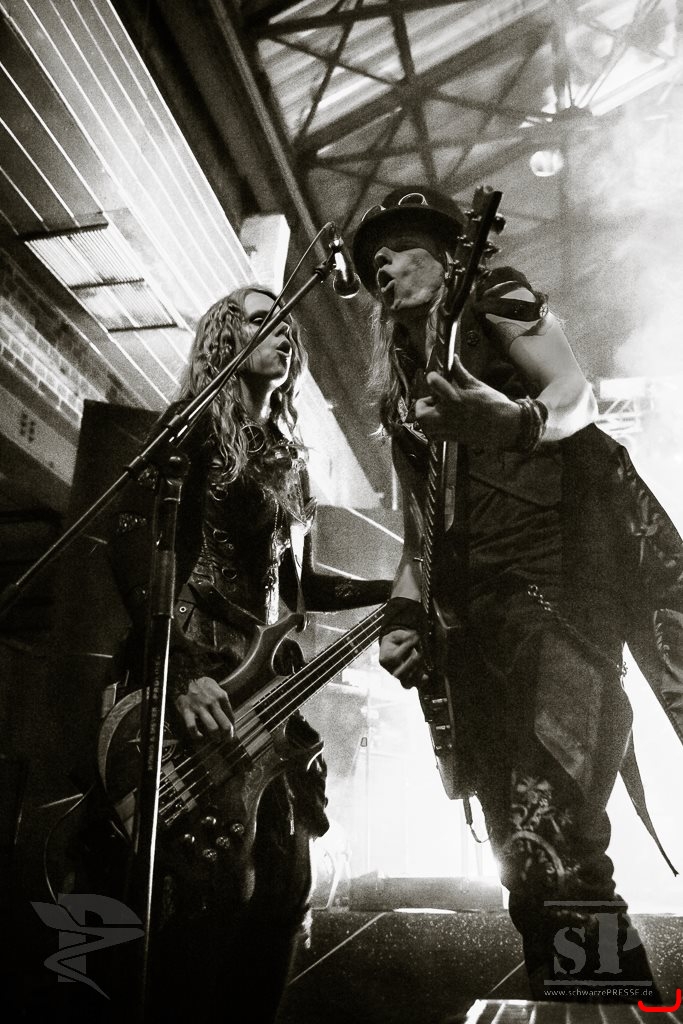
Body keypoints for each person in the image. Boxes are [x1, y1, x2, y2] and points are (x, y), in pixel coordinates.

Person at [351, 186, 683, 1003]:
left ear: (449, 254)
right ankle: (573, 1005)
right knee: (519, 855)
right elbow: (420, 536)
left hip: (556, 606)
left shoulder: (495, 295)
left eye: (402, 248)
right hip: (476, 630)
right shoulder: (404, 392)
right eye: (374, 262)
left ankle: (603, 1007)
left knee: (557, 835)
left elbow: (574, 397)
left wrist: (513, 422)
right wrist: (401, 615)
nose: (385, 268)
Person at [100, 285, 390, 1023]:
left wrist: (398, 590)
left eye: (289, 325)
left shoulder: (284, 457)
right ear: (226, 337)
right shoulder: (191, 428)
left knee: (286, 884)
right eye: (264, 320)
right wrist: (179, 672)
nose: (284, 333)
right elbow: (134, 547)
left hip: (261, 689)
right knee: (210, 892)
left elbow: (301, 585)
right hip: (197, 672)